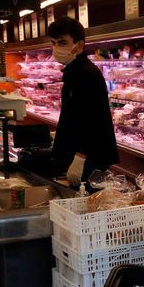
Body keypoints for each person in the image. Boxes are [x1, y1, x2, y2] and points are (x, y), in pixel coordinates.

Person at [47, 16, 118, 186]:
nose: (56, 48)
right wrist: (62, 133)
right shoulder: (74, 71)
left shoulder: (86, 74)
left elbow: (93, 119)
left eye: (63, 42)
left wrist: (80, 158)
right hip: (79, 151)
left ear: (78, 46)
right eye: (53, 42)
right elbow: (77, 112)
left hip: (89, 157)